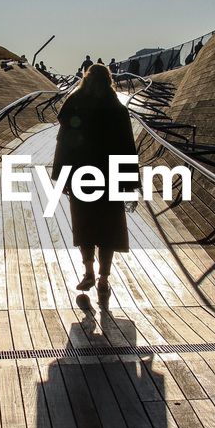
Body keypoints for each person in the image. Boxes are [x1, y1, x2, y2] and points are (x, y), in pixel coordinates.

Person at [51, 63, 138, 297]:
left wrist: (60, 175)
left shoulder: (75, 103)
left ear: (86, 79)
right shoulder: (117, 108)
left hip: (82, 175)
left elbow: (64, 142)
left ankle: (88, 272)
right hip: (111, 177)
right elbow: (127, 147)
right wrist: (130, 182)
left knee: (85, 225)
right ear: (109, 80)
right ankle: (103, 280)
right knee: (108, 229)